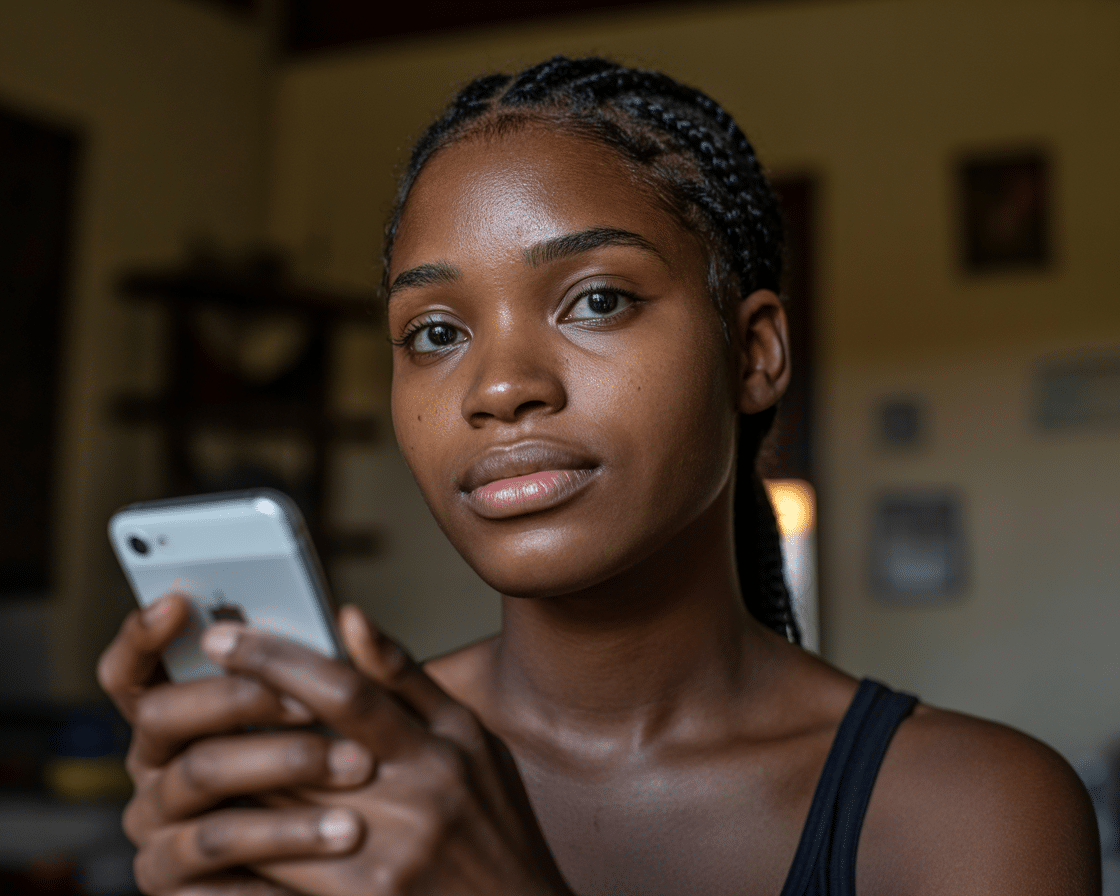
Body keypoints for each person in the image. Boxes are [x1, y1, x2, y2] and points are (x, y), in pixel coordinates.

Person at [98, 56, 1100, 896]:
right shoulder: (354, 774)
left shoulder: (975, 813)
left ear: (753, 353)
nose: (497, 387)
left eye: (597, 300)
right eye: (436, 331)